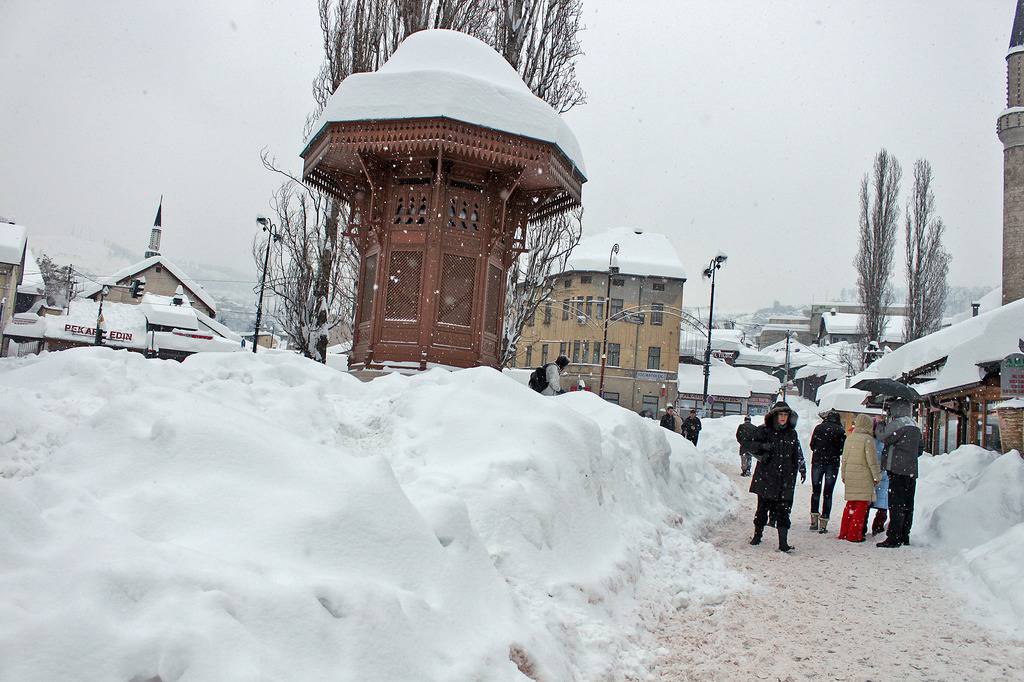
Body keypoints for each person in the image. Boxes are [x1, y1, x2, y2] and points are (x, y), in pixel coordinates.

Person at [748, 401, 806, 553]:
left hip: (785, 478)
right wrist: (763, 448)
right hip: (767, 476)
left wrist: (801, 467)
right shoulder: (764, 431)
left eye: (785, 414)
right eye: (780, 414)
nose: (783, 417)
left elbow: (796, 452)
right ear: (774, 415)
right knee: (762, 509)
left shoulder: (791, 433)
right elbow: (751, 446)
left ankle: (783, 542)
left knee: (784, 510)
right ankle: (757, 535)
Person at [877, 400, 925, 548]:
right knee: (908, 504)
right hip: (911, 471)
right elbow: (920, 450)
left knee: (896, 503)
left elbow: (882, 437)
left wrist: (881, 424)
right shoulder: (916, 425)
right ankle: (905, 535)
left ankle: (894, 537)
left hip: (897, 469)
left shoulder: (897, 424)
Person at [837, 414, 882, 543]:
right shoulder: (868, 440)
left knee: (850, 505)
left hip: (851, 476)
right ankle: (854, 535)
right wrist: (876, 476)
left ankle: (844, 532)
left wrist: (844, 474)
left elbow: (844, 459)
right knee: (861, 506)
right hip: (864, 476)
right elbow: (872, 461)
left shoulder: (849, 438)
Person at [808, 410, 846, 534]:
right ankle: (824, 521)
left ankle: (814, 520)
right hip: (832, 464)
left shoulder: (819, 428)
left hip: (818, 461)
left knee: (816, 491)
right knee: (828, 493)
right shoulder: (840, 431)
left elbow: (812, 445)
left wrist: (820, 450)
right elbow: (841, 450)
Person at [869, 416, 890, 536]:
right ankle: (878, 527)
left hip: (870, 474)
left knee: (867, 501)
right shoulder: (887, 441)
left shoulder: (869, 440)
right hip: (884, 474)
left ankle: (861, 528)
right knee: (883, 504)